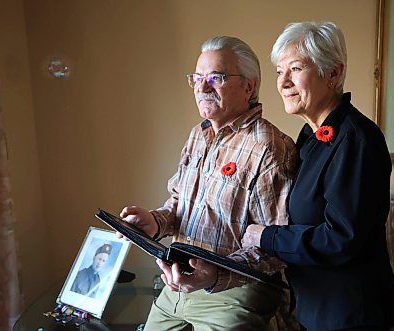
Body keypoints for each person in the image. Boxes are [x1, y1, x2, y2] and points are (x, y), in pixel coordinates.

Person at [119, 36, 298, 330]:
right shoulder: (197, 136)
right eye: (197, 78)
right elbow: (178, 205)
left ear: (248, 86)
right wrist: (153, 222)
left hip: (235, 294)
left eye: (216, 78)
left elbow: (276, 247)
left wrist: (215, 275)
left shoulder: (270, 148)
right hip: (177, 287)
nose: (202, 88)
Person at [242, 22, 394, 331]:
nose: (283, 82)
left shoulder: (355, 139)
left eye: (296, 68)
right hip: (316, 308)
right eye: (279, 71)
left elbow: (341, 238)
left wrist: (267, 237)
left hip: (349, 315)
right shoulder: (311, 136)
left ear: (334, 74)